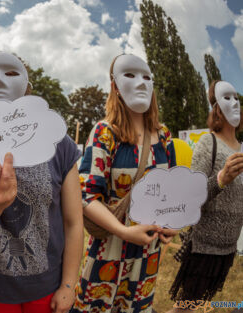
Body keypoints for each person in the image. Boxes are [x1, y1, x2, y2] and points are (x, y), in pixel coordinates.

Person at [0, 51, 84, 313]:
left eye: (11, 73)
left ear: (27, 87)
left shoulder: (58, 143)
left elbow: (73, 221)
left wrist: (68, 285)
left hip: (49, 285)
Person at [71, 54, 177, 313]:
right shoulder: (104, 133)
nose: (141, 83)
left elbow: (172, 191)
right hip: (109, 248)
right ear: (114, 86)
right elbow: (86, 195)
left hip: (147, 253)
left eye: (147, 77)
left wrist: (170, 223)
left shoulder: (164, 136)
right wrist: (124, 232)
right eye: (130, 75)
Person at [167, 80, 243, 313]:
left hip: (229, 246)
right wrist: (222, 178)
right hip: (205, 247)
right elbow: (192, 194)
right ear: (216, 109)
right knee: (185, 308)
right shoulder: (207, 143)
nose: (235, 103)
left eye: (237, 98)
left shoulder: (241, 147)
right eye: (227, 98)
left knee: (197, 305)